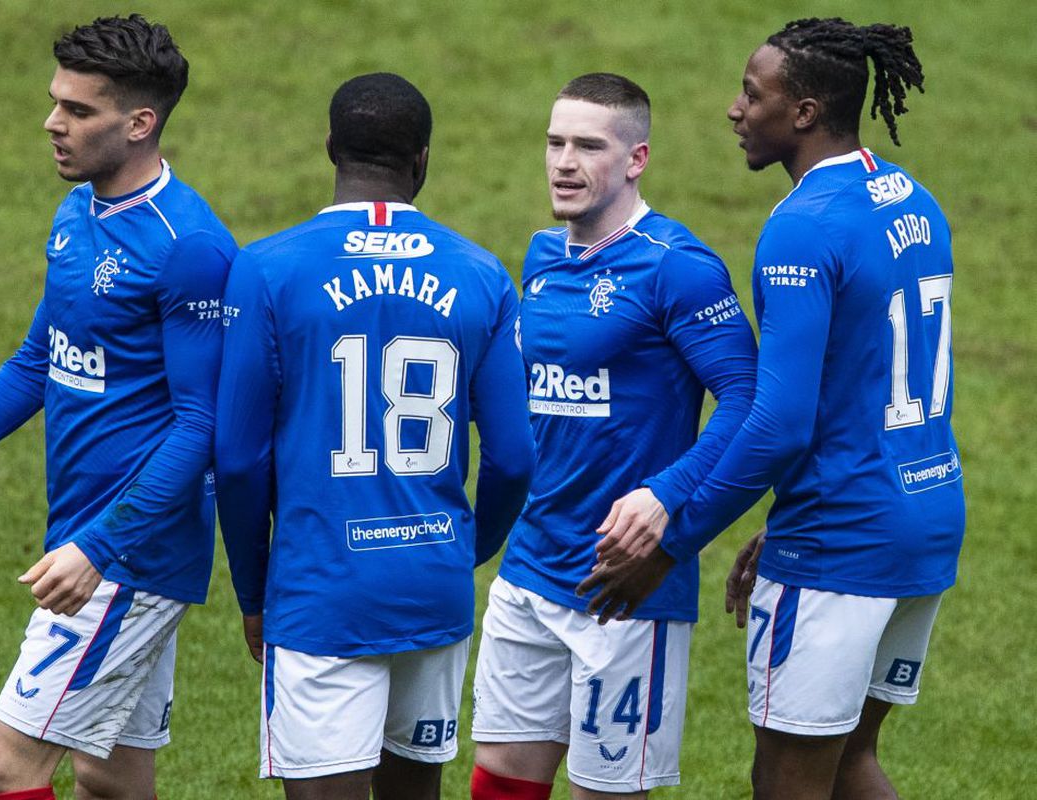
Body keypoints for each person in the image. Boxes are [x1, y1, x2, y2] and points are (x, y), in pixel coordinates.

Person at [0, 15, 236, 800]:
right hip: (91, 543)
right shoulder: (77, 214)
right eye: (56, 102)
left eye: (79, 111)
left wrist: (99, 548)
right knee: (111, 775)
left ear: (139, 122)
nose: (52, 123)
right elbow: (38, 365)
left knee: (7, 764)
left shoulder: (187, 248)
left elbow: (202, 424)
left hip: (128, 553)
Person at [580, 18, 965, 800]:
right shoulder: (914, 200)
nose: (734, 110)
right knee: (851, 761)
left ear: (804, 112)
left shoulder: (801, 228)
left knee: (786, 779)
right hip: (922, 516)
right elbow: (856, 386)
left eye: (753, 96)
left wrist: (670, 543)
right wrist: (785, 520)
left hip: (844, 539)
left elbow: (779, 422)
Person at [214, 73, 534, 800]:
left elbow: (237, 460)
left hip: (319, 590)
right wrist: (465, 548)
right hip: (433, 586)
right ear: (422, 160)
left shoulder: (267, 270)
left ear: (331, 148)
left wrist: (251, 588)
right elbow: (514, 459)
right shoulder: (483, 275)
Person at [468, 73, 758, 800]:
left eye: (589, 146)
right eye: (555, 142)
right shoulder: (541, 257)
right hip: (529, 568)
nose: (564, 162)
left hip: (622, 585)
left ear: (636, 159)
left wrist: (667, 496)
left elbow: (748, 398)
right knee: (499, 780)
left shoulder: (677, 269)